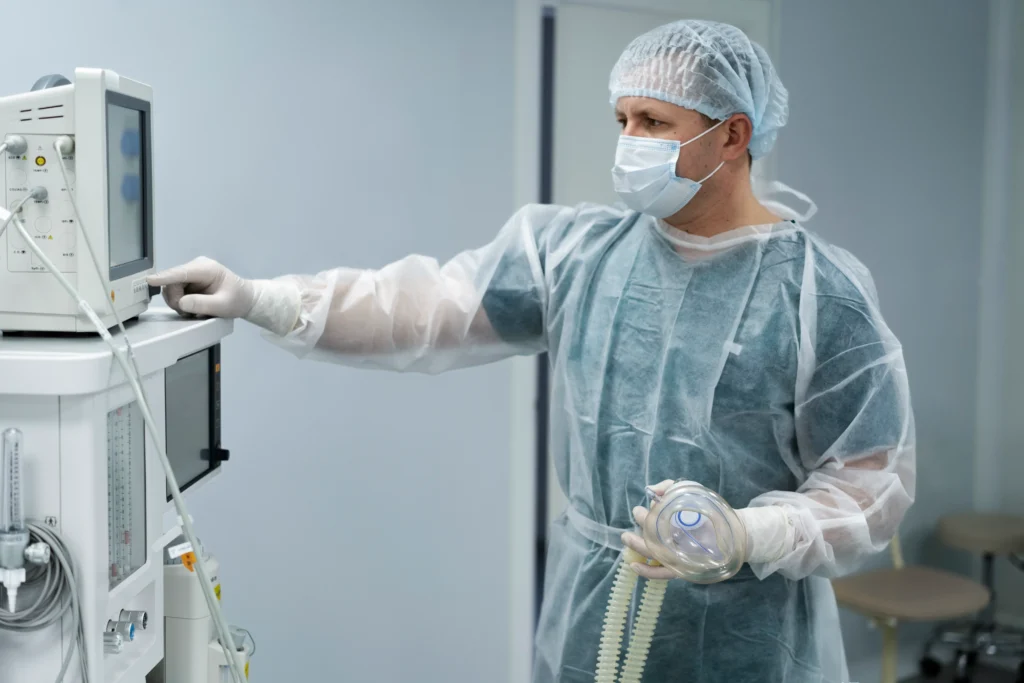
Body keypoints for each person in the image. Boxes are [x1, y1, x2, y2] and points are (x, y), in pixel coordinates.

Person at [149, 19, 915, 683]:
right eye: (622, 118)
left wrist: (747, 535)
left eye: (653, 121)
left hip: (751, 639)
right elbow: (419, 308)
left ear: (734, 134)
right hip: (594, 620)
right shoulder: (580, 254)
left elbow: (869, 484)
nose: (629, 143)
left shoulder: (820, 293)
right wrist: (260, 297)